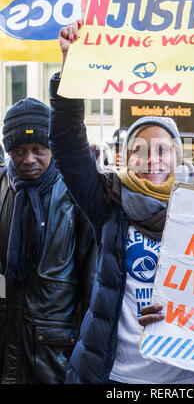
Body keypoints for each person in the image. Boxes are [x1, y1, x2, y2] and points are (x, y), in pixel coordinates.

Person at [49, 13, 194, 384]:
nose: (152, 160)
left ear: (179, 156)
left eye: (163, 149)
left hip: (189, 377)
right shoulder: (108, 203)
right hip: (115, 377)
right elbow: (68, 144)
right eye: (140, 150)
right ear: (125, 159)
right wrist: (71, 65)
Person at [0, 97, 98, 384]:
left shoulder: (76, 196)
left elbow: (91, 285)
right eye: (19, 150)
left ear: (51, 148)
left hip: (53, 356)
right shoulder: (2, 189)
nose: (28, 159)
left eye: (37, 149)